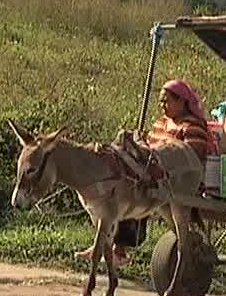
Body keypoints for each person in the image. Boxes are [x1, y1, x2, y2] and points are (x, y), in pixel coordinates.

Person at [76, 79, 210, 266]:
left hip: (176, 178)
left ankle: (119, 248)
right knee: (125, 182)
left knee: (139, 185)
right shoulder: (161, 123)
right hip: (152, 170)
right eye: (161, 102)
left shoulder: (192, 126)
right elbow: (148, 144)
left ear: (181, 102)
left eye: (167, 101)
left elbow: (191, 158)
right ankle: (112, 245)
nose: (162, 106)